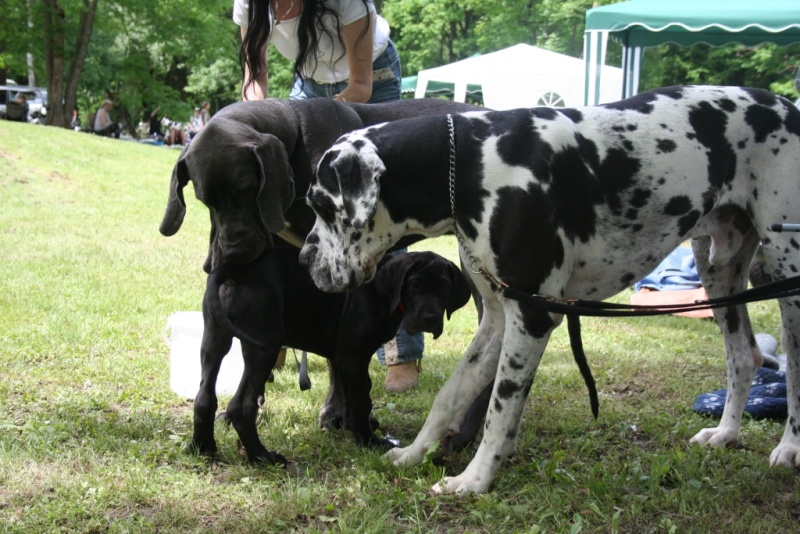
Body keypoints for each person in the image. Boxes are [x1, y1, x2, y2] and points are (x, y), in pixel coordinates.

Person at [233, 0, 421, 391]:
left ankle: (401, 353)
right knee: (295, 210)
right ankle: (280, 333)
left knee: (376, 213)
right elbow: (255, 75)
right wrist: (257, 122)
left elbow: (361, 86)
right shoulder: (249, 3)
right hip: (309, 82)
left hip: (372, 81)